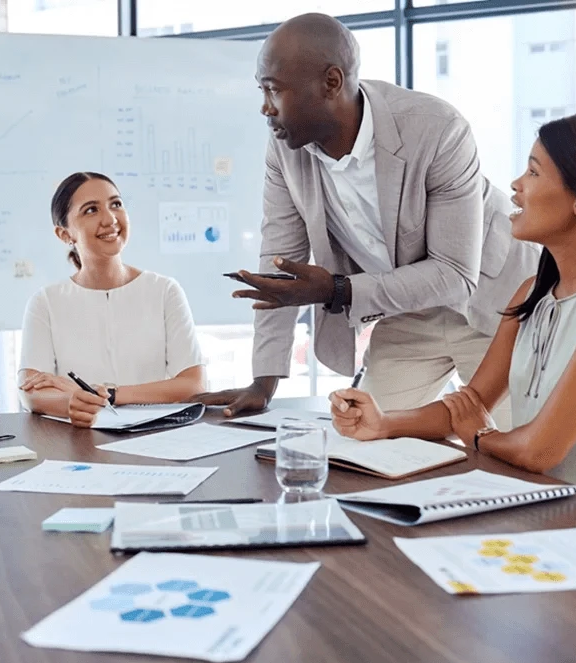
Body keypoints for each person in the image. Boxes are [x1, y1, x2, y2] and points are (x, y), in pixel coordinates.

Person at [330, 111, 576, 519]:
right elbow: (469, 404)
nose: (516, 185)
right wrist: (384, 422)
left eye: (534, 172)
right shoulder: (532, 293)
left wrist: (480, 435)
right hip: (550, 513)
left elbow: (538, 450)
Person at [194, 13, 540, 425]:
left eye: (274, 90)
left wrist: (339, 290)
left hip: (492, 301)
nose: (266, 108)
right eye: (262, 90)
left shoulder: (437, 129)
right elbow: (280, 262)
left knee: (513, 447)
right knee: (363, 435)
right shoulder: (285, 149)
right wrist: (263, 382)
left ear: (332, 82)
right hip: (407, 311)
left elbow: (453, 274)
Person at [18, 172, 206, 428]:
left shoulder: (164, 291)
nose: (109, 219)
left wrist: (108, 394)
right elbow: (31, 391)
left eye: (116, 204)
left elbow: (193, 384)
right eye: (91, 210)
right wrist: (72, 404)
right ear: (64, 234)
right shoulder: (45, 302)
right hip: (79, 441)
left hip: (153, 437)